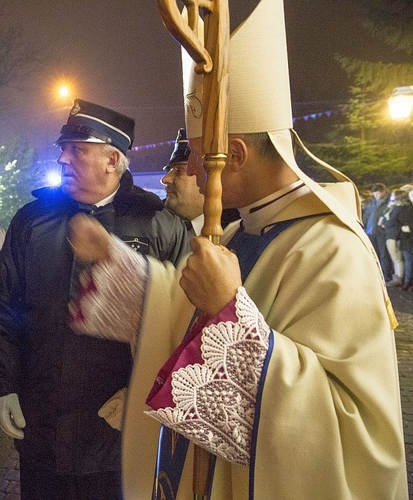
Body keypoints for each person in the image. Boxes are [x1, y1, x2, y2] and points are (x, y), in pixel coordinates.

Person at [66, 1, 407, 498]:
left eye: (202, 158)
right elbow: (188, 316)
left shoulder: (333, 252)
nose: (194, 173)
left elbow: (349, 429)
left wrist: (229, 312)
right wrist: (131, 277)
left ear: (237, 155)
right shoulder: (243, 232)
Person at [0, 98, 191, 499]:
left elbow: (186, 324)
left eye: (77, 150)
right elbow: (2, 307)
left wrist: (150, 391)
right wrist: (4, 384)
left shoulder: (158, 223)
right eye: (63, 148)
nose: (62, 159)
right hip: (41, 425)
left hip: (118, 433)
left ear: (112, 160)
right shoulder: (33, 219)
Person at [381, 189, 408, 286]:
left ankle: (398, 278)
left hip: (394, 235)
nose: (391, 197)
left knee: (396, 258)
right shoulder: (394, 207)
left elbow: (392, 221)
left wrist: (386, 223)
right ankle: (397, 276)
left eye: (392, 195)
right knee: (395, 258)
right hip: (391, 234)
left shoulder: (400, 208)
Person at [366, 182, 393, 281]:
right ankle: (376, 274)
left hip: (382, 232)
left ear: (383, 191)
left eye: (377, 194)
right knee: (374, 254)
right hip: (370, 231)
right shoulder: (373, 202)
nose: (376, 196)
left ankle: (386, 275)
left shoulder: (390, 201)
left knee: (383, 254)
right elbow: (367, 215)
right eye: (374, 195)